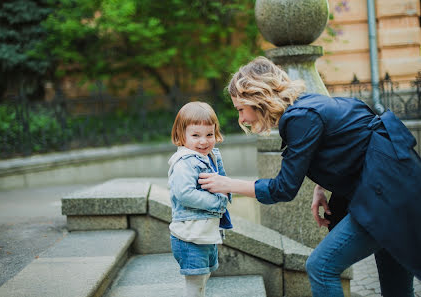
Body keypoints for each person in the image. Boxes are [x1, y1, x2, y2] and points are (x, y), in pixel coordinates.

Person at [198, 56, 421, 297]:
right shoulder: (307, 104)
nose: (242, 119)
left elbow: (283, 189)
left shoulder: (299, 117)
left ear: (258, 98)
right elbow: (347, 141)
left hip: (385, 196)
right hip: (398, 186)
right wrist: (320, 186)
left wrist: (227, 184)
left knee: (321, 267)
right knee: (397, 289)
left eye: (241, 109)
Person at [168, 101, 233, 297]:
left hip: (204, 233)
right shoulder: (184, 163)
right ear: (181, 135)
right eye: (195, 135)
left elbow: (221, 180)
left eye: (209, 135)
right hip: (189, 236)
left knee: (204, 277)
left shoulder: (208, 156)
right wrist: (219, 202)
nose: (203, 141)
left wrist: (226, 189)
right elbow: (184, 193)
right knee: (195, 284)